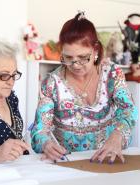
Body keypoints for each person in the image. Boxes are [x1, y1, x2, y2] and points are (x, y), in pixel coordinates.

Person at [31, 12, 138, 164]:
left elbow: (128, 110)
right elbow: (39, 130)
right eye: (68, 58)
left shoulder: (112, 74)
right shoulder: (52, 83)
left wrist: (117, 135)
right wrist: (46, 143)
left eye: (83, 58)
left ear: (95, 50)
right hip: (68, 164)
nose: (75, 65)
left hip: (108, 160)